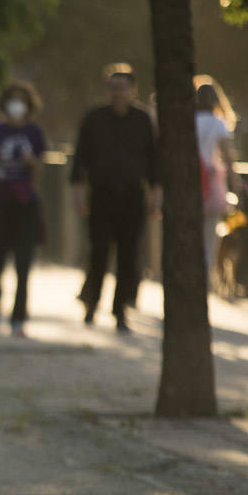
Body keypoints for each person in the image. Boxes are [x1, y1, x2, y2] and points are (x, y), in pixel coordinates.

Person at [70, 63, 160, 333]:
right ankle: (91, 304)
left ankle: (121, 310)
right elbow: (80, 160)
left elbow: (155, 162)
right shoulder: (93, 118)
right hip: (101, 196)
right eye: (113, 87)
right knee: (98, 252)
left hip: (132, 197)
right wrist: (78, 194)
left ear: (133, 90)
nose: (117, 93)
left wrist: (155, 195)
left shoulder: (143, 120)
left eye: (122, 87)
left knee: (129, 255)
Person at [0, 81, 46, 337]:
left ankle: (19, 317)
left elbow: (40, 168)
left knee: (24, 261)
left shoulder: (35, 133)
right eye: (12, 100)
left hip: (25, 204)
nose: (16, 106)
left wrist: (32, 162)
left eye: (21, 101)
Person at [194, 75, 239, 286]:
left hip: (190, 184)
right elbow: (228, 157)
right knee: (208, 240)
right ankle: (204, 283)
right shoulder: (218, 124)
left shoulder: (188, 122)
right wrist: (236, 184)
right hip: (212, 186)